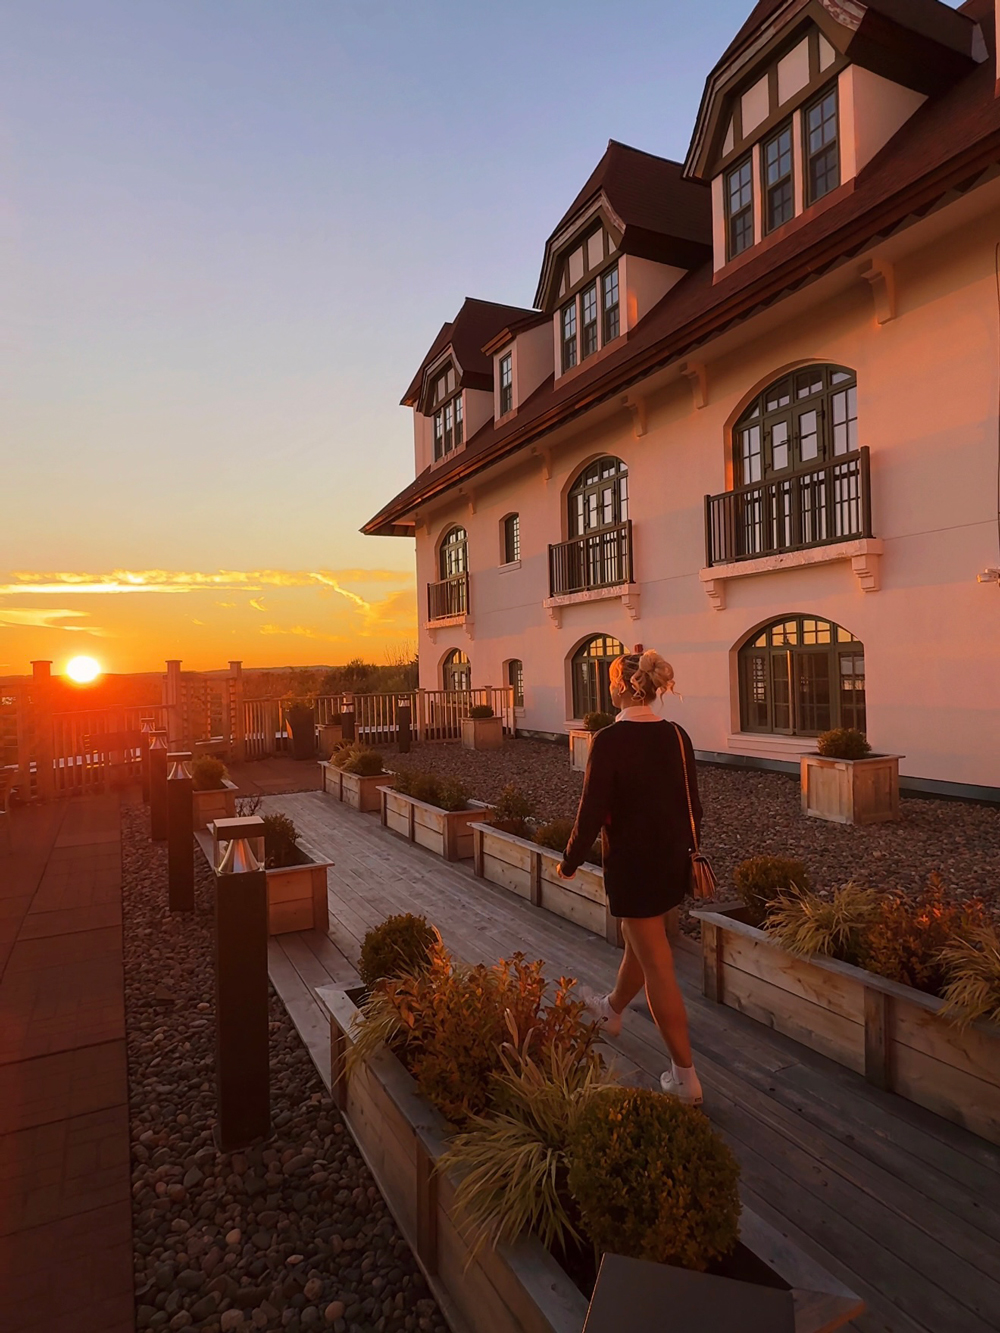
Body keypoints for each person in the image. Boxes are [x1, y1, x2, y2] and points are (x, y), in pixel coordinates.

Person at [558, 649, 704, 1104]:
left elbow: (590, 812)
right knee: (641, 941)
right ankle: (612, 1010)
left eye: (610, 680)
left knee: (657, 962)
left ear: (623, 686)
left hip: (633, 865)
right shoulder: (677, 735)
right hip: (671, 861)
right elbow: (693, 805)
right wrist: (687, 854)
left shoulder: (609, 740)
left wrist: (569, 861)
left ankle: (685, 1077)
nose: (608, 687)